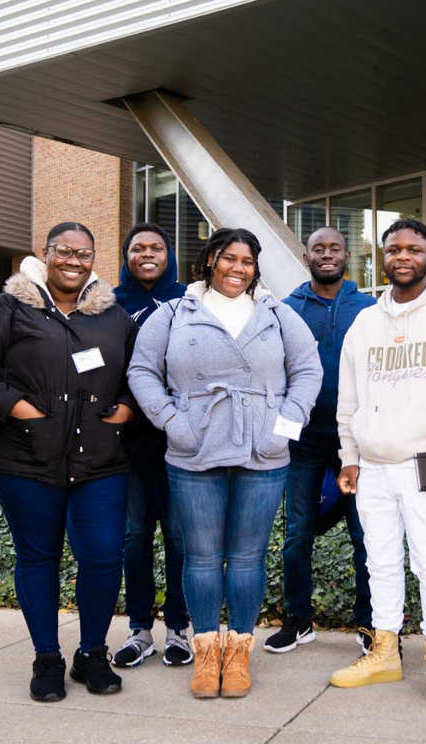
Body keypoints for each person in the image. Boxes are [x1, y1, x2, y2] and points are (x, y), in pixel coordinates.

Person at [128, 228, 322, 699]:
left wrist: (284, 427)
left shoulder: (278, 314)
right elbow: (141, 371)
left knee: (249, 557)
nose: (238, 268)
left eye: (248, 261)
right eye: (229, 258)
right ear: (211, 260)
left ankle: (238, 652)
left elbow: (308, 371)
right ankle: (207, 650)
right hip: (194, 449)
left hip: (263, 452)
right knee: (200, 556)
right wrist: (175, 423)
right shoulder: (175, 313)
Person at [0, 222, 137, 702]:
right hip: (25, 459)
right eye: (64, 251)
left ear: (95, 260)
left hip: (101, 459)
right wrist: (19, 408)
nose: (74, 261)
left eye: (84, 253)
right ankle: (47, 658)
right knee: (38, 556)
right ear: (46, 254)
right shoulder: (9, 307)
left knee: (101, 557)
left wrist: (128, 409)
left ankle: (93, 652)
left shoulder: (114, 317)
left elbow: (142, 371)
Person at [329, 218, 426, 711]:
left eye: (413, 249)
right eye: (393, 249)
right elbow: (347, 399)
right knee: (380, 561)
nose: (402, 256)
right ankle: (384, 653)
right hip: (372, 465)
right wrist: (349, 458)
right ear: (383, 258)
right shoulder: (365, 323)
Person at [264, 227, 374, 655]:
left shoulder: (368, 308)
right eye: (318, 249)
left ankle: (370, 623)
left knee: (366, 535)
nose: (327, 255)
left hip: (357, 441)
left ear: (348, 255)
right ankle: (298, 618)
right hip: (304, 441)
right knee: (297, 533)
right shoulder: (286, 309)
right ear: (305, 255)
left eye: (334, 249)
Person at [111, 223, 191, 668]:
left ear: (168, 254)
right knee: (135, 535)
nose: (146, 254)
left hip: (180, 441)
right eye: (137, 248)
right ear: (126, 256)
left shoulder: (188, 300)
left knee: (179, 538)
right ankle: (139, 629)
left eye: (156, 247)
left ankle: (179, 629)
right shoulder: (109, 304)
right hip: (130, 442)